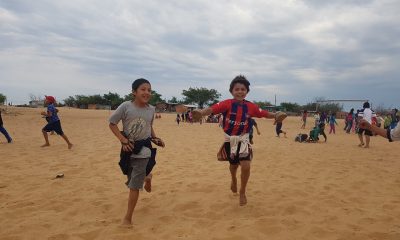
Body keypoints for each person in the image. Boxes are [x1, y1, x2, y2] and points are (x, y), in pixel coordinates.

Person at [191, 75, 286, 206]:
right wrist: (201, 113)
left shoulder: (251, 106)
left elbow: (263, 113)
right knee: (233, 166)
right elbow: (211, 109)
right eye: (237, 89)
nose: (240, 91)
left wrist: (276, 115)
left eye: (243, 89)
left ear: (247, 91)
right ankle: (233, 179)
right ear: (232, 91)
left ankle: (242, 192)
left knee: (246, 166)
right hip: (230, 141)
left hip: (243, 140)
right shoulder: (226, 103)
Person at [109, 78, 165, 226]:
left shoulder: (151, 109)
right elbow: (112, 124)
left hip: (144, 150)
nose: (147, 92)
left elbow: (149, 127)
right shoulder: (125, 106)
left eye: (149, 90)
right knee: (130, 179)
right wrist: (122, 139)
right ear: (134, 92)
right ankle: (147, 177)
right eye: (143, 89)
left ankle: (127, 218)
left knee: (134, 185)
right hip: (128, 148)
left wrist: (155, 139)